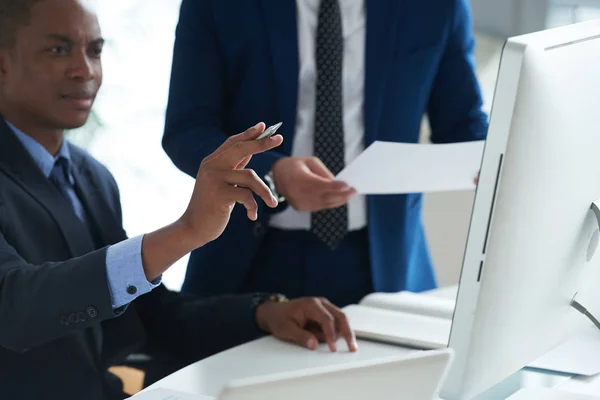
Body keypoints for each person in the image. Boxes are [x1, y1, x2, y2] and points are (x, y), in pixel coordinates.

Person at [0, 1, 357, 399]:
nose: (85, 70)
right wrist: (186, 231)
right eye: (57, 49)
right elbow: (14, 307)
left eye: (95, 50)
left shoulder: (91, 177)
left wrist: (264, 313)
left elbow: (148, 319)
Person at [162, 0, 489, 306]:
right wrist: (271, 175)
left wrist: (514, 152)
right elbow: (187, 130)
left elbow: (462, 125)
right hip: (249, 260)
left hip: (386, 264)